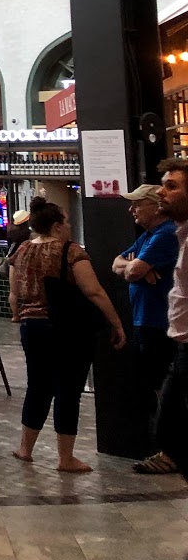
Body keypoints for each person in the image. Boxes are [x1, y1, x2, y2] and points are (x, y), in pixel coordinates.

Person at [5, 202, 127, 472]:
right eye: (67, 222)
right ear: (57, 226)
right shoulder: (70, 251)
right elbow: (93, 291)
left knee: (37, 386)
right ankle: (66, 457)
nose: (70, 226)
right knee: (68, 389)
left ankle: (25, 448)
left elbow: (14, 293)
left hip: (31, 327)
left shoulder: (21, 250)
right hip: (66, 328)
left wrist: (19, 315)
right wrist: (116, 322)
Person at [112, 183, 181, 474]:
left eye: (138, 204)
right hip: (147, 321)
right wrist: (138, 268)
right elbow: (117, 264)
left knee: (165, 388)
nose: (132, 209)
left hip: (160, 323)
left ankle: (171, 451)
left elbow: (132, 270)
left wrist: (138, 268)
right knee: (156, 385)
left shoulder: (165, 234)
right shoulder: (148, 236)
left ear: (156, 206)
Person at [152, 157, 188, 480]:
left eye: (171, 186)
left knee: (171, 430)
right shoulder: (181, 234)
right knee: (169, 430)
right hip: (182, 351)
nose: (161, 193)